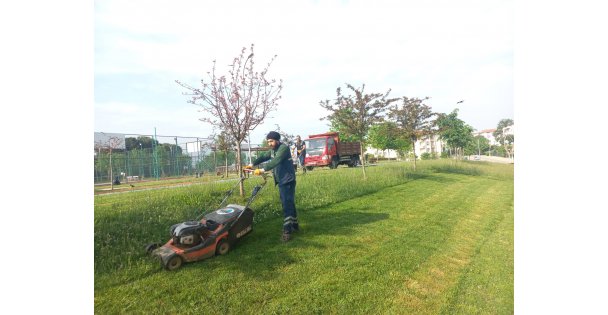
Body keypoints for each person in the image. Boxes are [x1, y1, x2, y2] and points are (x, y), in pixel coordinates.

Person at [246, 131, 299, 241]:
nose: (269, 143)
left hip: (287, 180)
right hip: (282, 181)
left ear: (277, 140)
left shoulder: (283, 148)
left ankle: (287, 231)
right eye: (268, 141)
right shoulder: (273, 150)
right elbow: (263, 156)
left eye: (271, 141)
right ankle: (294, 225)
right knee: (289, 202)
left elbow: (276, 161)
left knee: (286, 204)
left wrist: (262, 169)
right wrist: (252, 164)